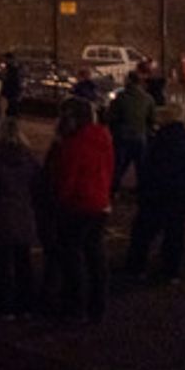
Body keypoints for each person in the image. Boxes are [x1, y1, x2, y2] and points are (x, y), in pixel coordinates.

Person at [46, 97, 113, 321]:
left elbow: (66, 178)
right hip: (99, 203)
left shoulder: (73, 144)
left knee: (72, 257)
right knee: (95, 256)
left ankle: (75, 306)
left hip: (77, 205)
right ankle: (98, 304)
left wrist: (58, 201)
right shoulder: (103, 137)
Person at [126, 103, 185, 283]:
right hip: (180, 194)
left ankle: (137, 268)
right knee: (174, 234)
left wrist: (144, 191)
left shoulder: (162, 139)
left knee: (143, 232)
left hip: (159, 194)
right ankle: (171, 271)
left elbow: (152, 168)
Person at [0, 117, 40, 319]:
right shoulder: (29, 158)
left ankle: (3, 306)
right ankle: (27, 305)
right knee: (23, 262)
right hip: (23, 214)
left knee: (1, 264)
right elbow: (38, 187)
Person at [107, 71, 155, 195]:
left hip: (122, 135)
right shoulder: (148, 98)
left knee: (119, 165)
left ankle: (113, 190)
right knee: (141, 167)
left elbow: (110, 116)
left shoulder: (121, 97)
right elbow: (152, 119)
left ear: (128, 81)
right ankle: (143, 191)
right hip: (140, 136)